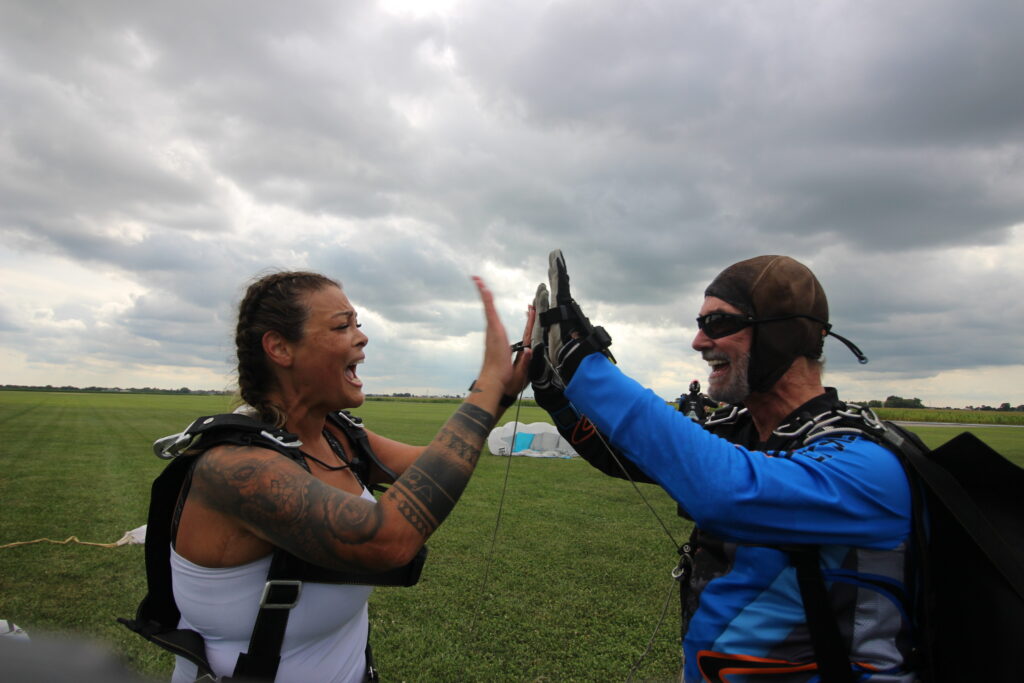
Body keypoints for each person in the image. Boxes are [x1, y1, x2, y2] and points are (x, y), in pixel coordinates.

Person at [530, 252, 915, 682]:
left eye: (719, 323)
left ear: (782, 334)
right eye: (700, 324)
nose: (698, 342)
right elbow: (620, 452)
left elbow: (727, 493)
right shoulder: (737, 431)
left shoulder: (864, 462)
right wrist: (554, 392)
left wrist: (583, 363)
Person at [151, 271, 532, 683]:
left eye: (358, 324)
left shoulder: (335, 435)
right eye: (341, 325)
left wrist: (503, 391)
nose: (361, 337)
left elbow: (434, 465)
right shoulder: (236, 469)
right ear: (280, 347)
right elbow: (385, 539)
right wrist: (486, 388)